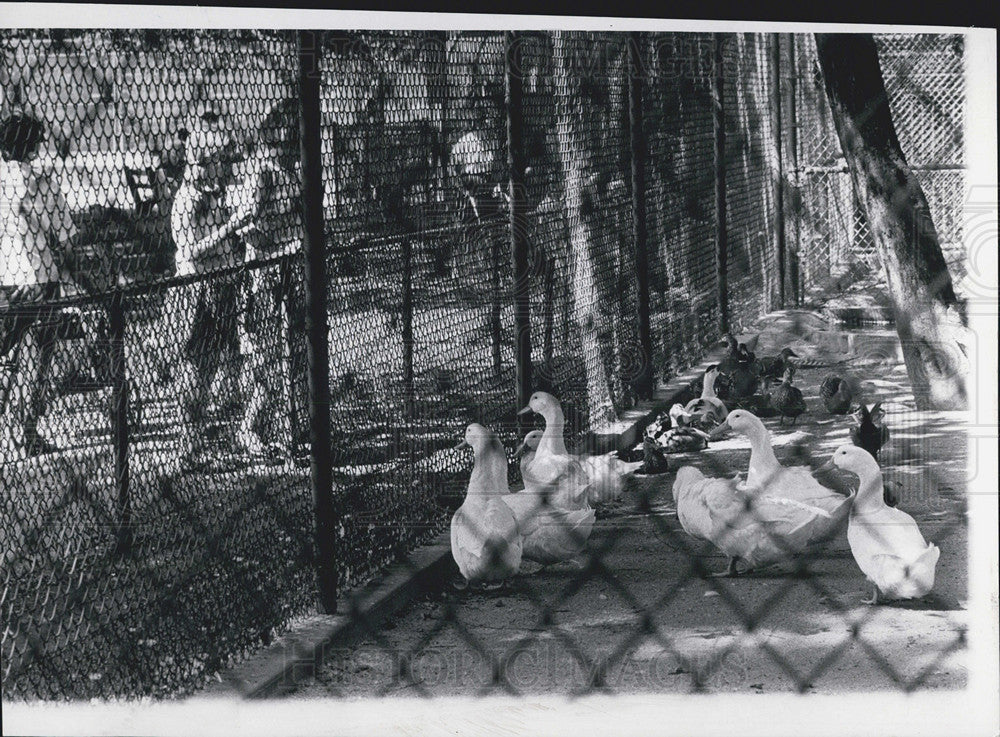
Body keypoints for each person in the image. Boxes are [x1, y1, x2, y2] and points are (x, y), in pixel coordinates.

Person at [168, 97, 255, 471]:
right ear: (197, 164)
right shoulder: (187, 200)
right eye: (212, 162)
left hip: (222, 285)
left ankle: (217, 434)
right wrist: (230, 227)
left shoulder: (214, 194)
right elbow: (192, 252)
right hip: (196, 288)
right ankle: (188, 445)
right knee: (197, 369)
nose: (219, 169)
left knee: (227, 361)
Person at [227, 103, 309, 461]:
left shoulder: (290, 170)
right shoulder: (263, 172)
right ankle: (251, 428)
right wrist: (275, 245)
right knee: (265, 353)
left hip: (289, 268)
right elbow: (246, 225)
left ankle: (293, 425)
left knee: (295, 346)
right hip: (264, 272)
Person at [1, 111, 78, 458]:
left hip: (5, 277)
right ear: (32, 145)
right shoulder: (43, 181)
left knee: (6, 355)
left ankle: (10, 422)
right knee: (36, 357)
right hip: (41, 276)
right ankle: (26, 431)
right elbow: (66, 237)